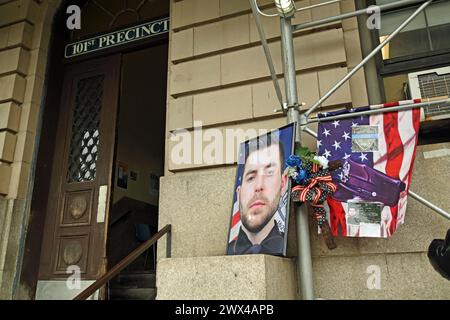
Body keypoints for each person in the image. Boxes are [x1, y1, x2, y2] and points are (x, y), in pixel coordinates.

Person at [227, 135, 288, 255]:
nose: (258, 186)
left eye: (269, 173)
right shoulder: (229, 251)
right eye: (251, 178)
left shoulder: (285, 245)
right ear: (238, 193)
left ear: (283, 183)